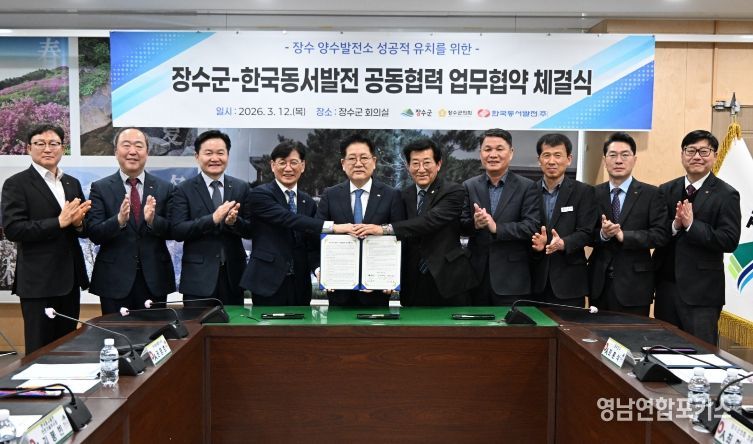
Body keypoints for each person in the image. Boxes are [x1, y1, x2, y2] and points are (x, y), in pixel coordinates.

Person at [1, 124, 91, 354]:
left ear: (62, 148)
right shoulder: (16, 184)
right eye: (40, 143)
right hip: (38, 284)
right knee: (39, 351)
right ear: (28, 148)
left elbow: (81, 228)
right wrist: (58, 222)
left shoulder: (72, 183)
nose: (47, 149)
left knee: (67, 347)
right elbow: (13, 229)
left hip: (69, 281)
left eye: (54, 143)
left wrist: (79, 224)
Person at [355, 138, 477, 306]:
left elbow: (429, 221)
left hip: (449, 279)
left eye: (426, 163)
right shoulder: (402, 196)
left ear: (438, 164)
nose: (421, 169)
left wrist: (383, 229)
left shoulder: (454, 191)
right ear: (408, 166)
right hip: (412, 280)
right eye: (415, 163)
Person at [239, 141, 353, 306]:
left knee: (301, 323)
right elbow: (287, 218)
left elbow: (311, 242)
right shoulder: (259, 195)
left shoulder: (308, 202)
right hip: (267, 281)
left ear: (303, 166)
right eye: (282, 163)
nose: (288, 168)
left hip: (300, 283)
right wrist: (333, 227)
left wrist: (319, 269)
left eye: (293, 162)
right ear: (272, 165)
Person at [653, 130, 741, 344]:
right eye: (691, 150)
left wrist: (692, 225)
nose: (697, 157)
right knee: (663, 350)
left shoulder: (726, 194)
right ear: (682, 154)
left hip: (702, 294)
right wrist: (675, 225)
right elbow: (657, 233)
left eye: (704, 151)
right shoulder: (666, 190)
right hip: (666, 288)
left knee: (701, 352)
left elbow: (729, 240)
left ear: (715, 155)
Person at [86, 127, 176, 314]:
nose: (132, 151)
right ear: (115, 151)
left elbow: (174, 230)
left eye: (138, 146)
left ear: (147, 152)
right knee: (116, 331)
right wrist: (118, 220)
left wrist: (153, 220)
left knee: (155, 331)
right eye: (126, 145)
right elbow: (94, 233)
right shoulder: (100, 188)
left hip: (154, 279)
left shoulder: (165, 187)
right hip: (114, 280)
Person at [316, 134, 404, 306]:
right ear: (343, 164)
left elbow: (401, 236)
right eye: (352, 158)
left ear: (374, 161)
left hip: (377, 292)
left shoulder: (391, 195)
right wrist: (320, 270)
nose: (358, 163)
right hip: (338, 291)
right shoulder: (330, 195)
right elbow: (316, 235)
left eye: (364, 158)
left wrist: (393, 276)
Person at [588, 132, 669, 316]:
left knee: (633, 333)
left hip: (635, 286)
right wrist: (602, 234)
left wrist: (625, 236)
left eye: (625, 155)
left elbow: (661, 235)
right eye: (613, 155)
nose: (619, 160)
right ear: (604, 160)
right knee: (596, 333)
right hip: (599, 283)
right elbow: (585, 233)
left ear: (634, 159)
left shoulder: (652, 194)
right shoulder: (592, 193)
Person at [169, 130, 251, 306]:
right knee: (197, 323)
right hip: (198, 280)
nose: (215, 158)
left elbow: (251, 229)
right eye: (208, 153)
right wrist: (213, 219)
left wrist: (234, 222)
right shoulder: (184, 189)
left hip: (233, 278)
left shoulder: (241, 187)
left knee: (234, 323)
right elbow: (177, 230)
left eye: (220, 153)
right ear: (197, 156)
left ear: (228, 156)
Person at [461, 128, 539, 306]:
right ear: (480, 153)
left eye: (499, 149)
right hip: (475, 277)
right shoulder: (469, 186)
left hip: (512, 279)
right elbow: (460, 225)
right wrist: (475, 224)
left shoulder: (527, 187)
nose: (493, 155)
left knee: (511, 324)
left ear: (511, 153)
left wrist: (497, 228)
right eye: (487, 149)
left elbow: (531, 226)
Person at [530, 133, 596, 307]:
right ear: (539, 160)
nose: (552, 161)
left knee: (569, 325)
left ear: (569, 159)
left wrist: (563, 243)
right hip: (534, 281)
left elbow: (587, 232)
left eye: (558, 155)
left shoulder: (584, 192)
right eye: (546, 155)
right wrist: (536, 244)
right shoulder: (528, 191)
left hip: (569, 281)